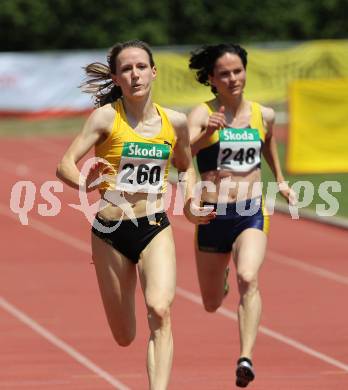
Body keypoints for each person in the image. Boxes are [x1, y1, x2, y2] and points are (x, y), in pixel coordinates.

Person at [56, 40, 214, 390]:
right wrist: (84, 181)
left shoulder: (175, 122)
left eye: (141, 66)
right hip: (110, 232)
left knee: (160, 310)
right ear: (116, 77)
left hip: (154, 226)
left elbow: (186, 167)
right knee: (124, 334)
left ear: (153, 72)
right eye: (126, 69)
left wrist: (190, 202)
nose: (135, 74)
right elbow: (64, 164)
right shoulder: (104, 118)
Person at [187, 43, 296, 387]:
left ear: (245, 71)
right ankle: (219, 280)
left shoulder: (264, 114)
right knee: (210, 303)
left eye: (237, 71)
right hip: (212, 217)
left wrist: (279, 180)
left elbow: (268, 143)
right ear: (211, 79)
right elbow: (179, 155)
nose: (233, 78)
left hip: (250, 210)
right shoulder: (202, 114)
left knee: (248, 277)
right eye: (224, 73)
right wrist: (206, 133)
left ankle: (245, 357)